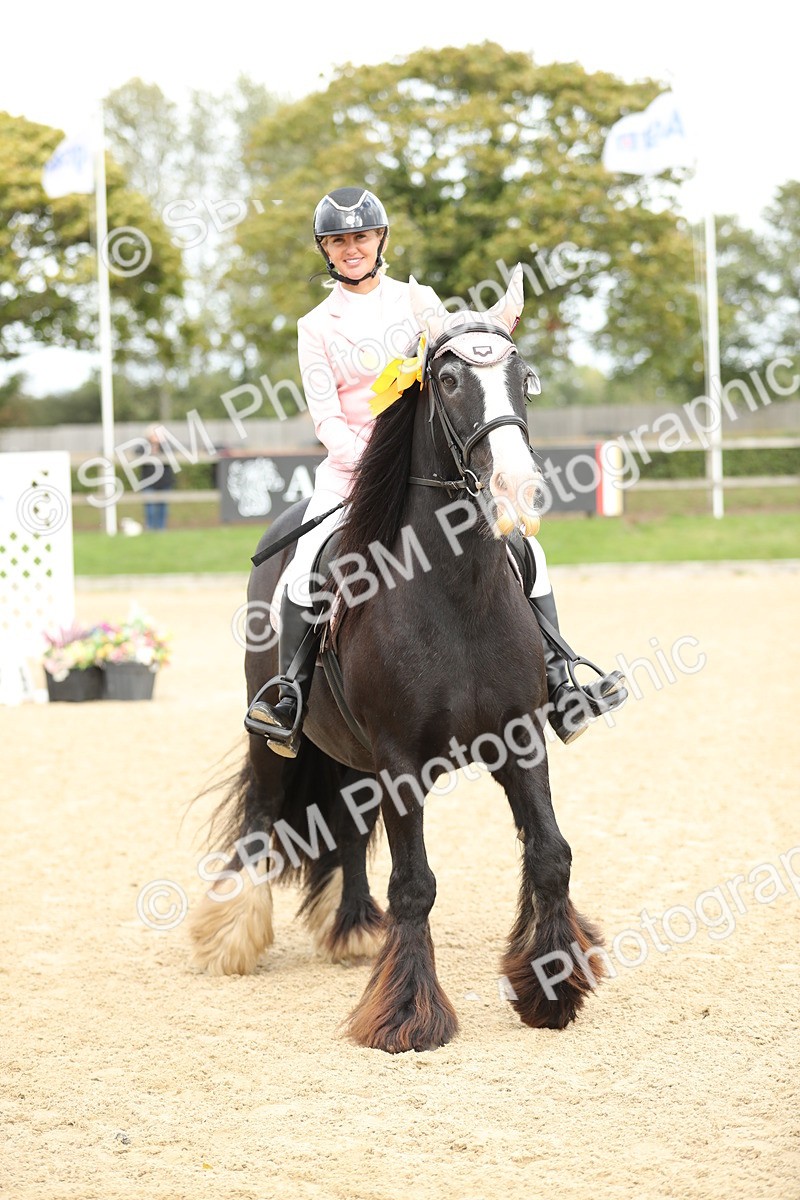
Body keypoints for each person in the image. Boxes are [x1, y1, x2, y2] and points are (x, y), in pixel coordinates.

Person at [246, 186, 626, 756]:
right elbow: (325, 414)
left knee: (527, 549)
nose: (352, 248)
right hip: (354, 472)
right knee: (304, 567)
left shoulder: (417, 302)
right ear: (326, 250)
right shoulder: (315, 325)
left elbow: (453, 375)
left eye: (362, 237)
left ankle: (560, 679)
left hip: (431, 466)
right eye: (340, 240)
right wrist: (374, 464)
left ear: (380, 241)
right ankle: (290, 695)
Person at [141, 426, 174, 531]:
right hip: (148, 482)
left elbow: (172, 454)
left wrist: (162, 443)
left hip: (164, 482)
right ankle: (150, 527)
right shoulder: (143, 446)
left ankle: (161, 528)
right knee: (149, 507)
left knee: (162, 507)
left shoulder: (166, 446)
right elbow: (137, 453)